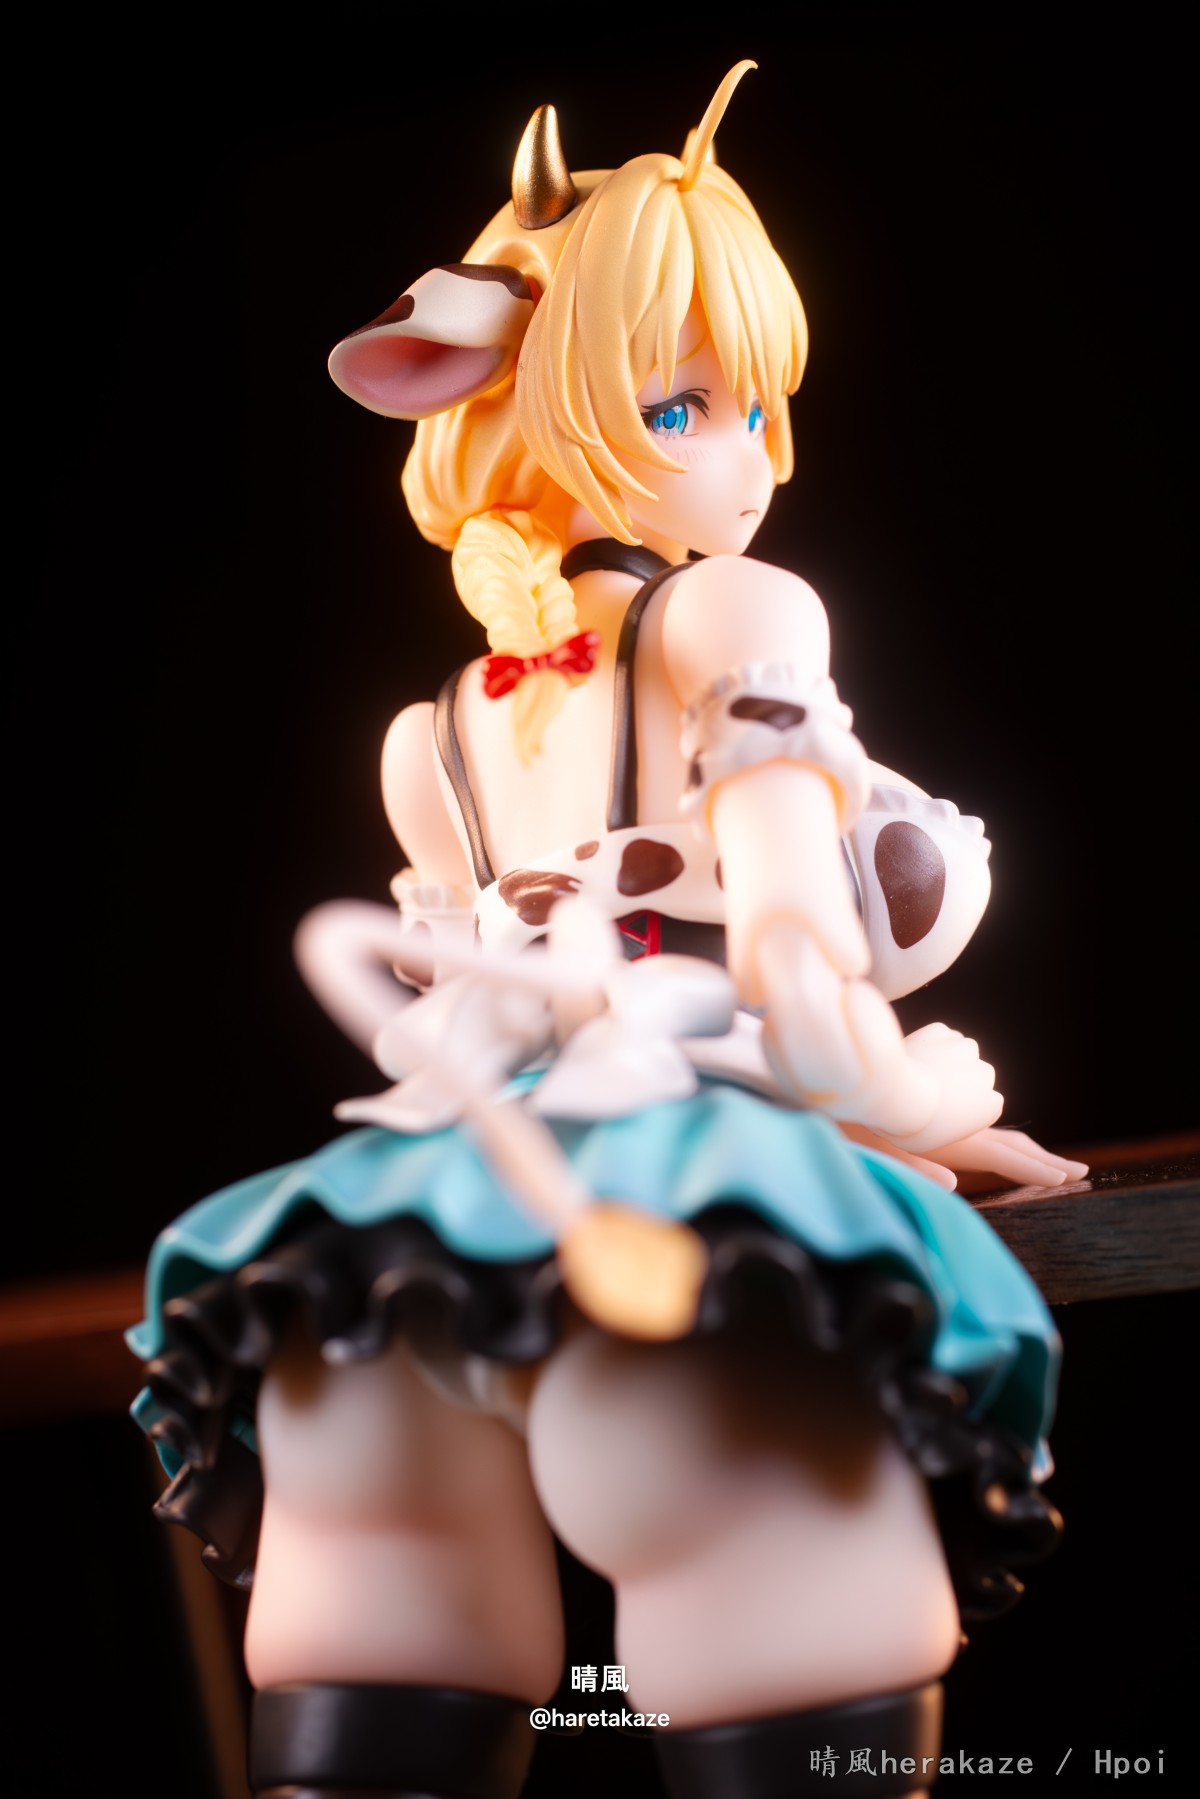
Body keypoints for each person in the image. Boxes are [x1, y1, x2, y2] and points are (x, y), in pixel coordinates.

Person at [131, 63, 1085, 1799]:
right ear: (549, 413)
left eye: (758, 402)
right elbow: (793, 978)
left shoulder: (431, 735)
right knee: (793, 1701)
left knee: (369, 1734)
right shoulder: (737, 610)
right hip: (677, 1239)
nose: (758, 454)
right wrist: (934, 1107)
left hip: (395, 1280)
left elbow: (457, 1024)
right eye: (691, 404)